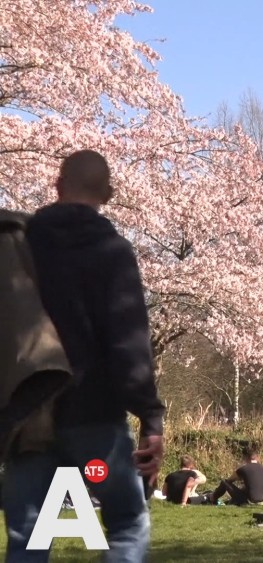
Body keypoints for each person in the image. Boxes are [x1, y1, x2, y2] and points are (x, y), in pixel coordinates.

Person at [5, 150, 166, 561]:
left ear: (56, 186)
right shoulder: (113, 252)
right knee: (128, 523)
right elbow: (127, 345)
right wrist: (151, 417)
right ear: (108, 194)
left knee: (29, 537)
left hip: (29, 416)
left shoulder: (18, 245)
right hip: (94, 419)